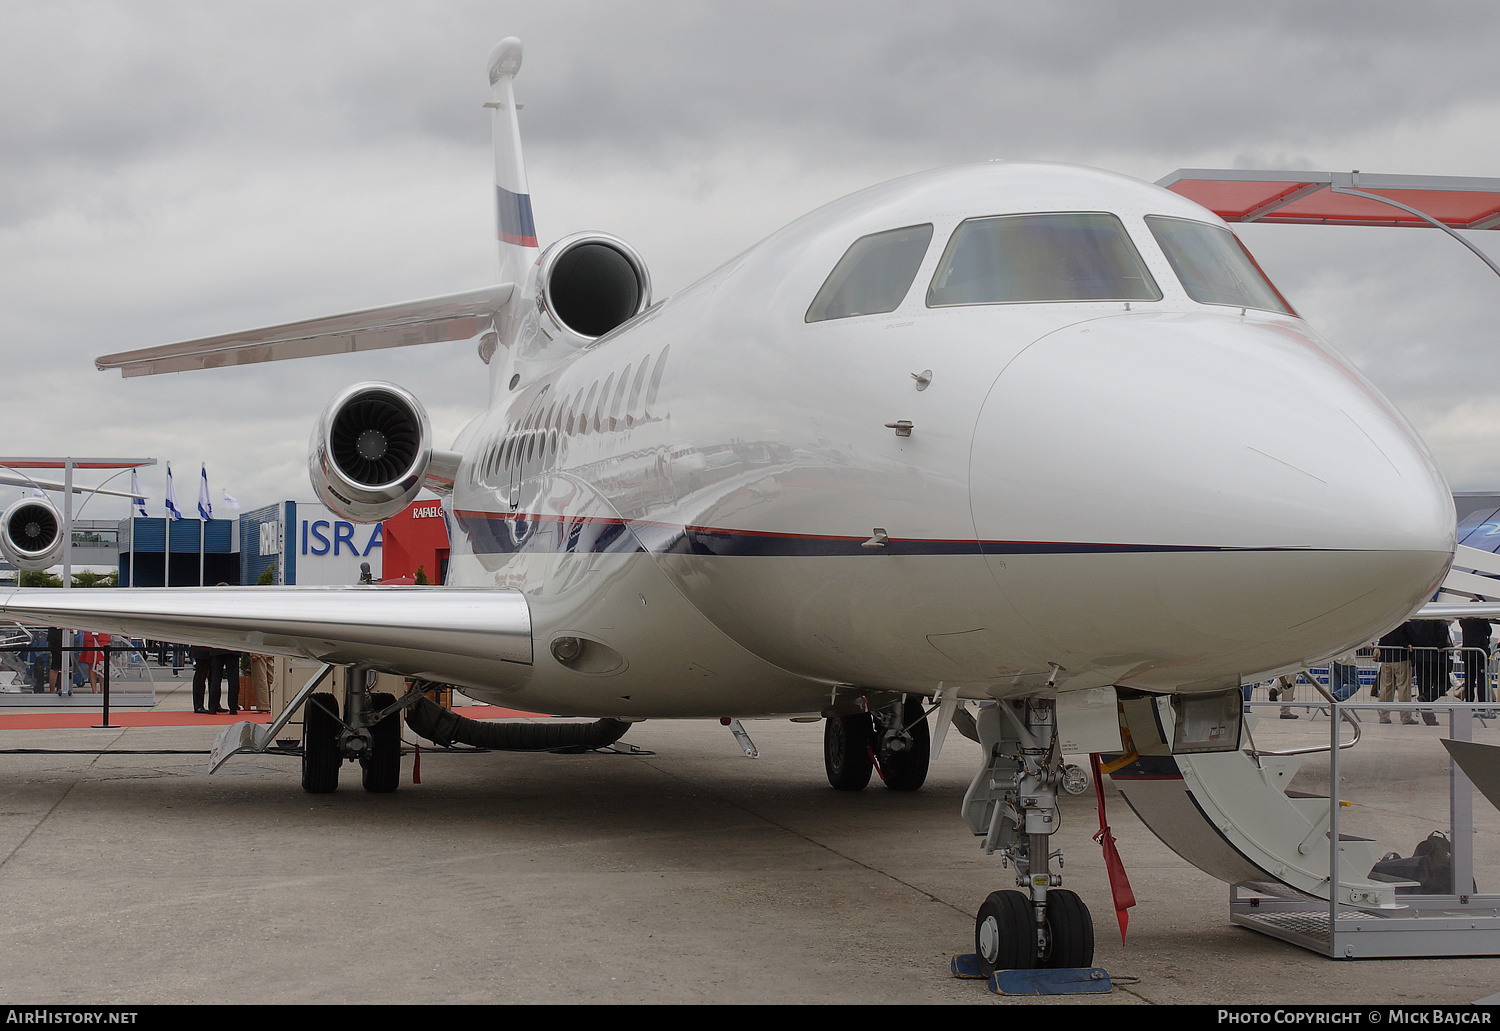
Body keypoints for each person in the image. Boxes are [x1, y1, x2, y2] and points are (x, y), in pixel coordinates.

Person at [1375, 623, 1414, 725]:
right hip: (1401, 657)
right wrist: (1407, 643)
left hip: (1386, 657)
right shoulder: (1402, 620)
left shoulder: (1386, 621)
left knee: (1385, 688)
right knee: (1404, 687)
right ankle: (1405, 717)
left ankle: (1384, 716)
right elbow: (1400, 634)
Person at [1459, 617, 1496, 705]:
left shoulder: (1463, 620)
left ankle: (1469, 702)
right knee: (1481, 679)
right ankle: (1482, 702)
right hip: (1480, 652)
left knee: (1469, 679)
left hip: (1468, 653)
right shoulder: (1482, 619)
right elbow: (1489, 631)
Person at [210, 648, 241, 716]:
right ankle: (233, 708)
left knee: (215, 679)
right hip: (232, 649)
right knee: (233, 679)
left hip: (217, 648)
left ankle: (213, 708)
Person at [190, 645, 213, 713]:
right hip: (201, 650)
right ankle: (198, 705)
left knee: (213, 678)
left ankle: (214, 704)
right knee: (200, 677)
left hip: (212, 650)